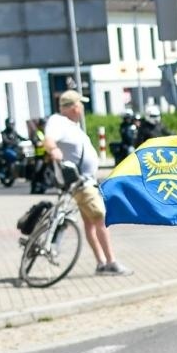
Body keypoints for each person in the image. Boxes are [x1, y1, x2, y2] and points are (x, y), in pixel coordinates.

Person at [43, 89, 130, 276]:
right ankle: (111, 262)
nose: (82, 108)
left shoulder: (71, 125)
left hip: (86, 182)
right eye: (80, 104)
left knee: (90, 223)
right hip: (81, 183)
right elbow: (48, 140)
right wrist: (53, 150)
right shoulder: (58, 122)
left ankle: (101, 263)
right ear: (74, 107)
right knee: (101, 218)